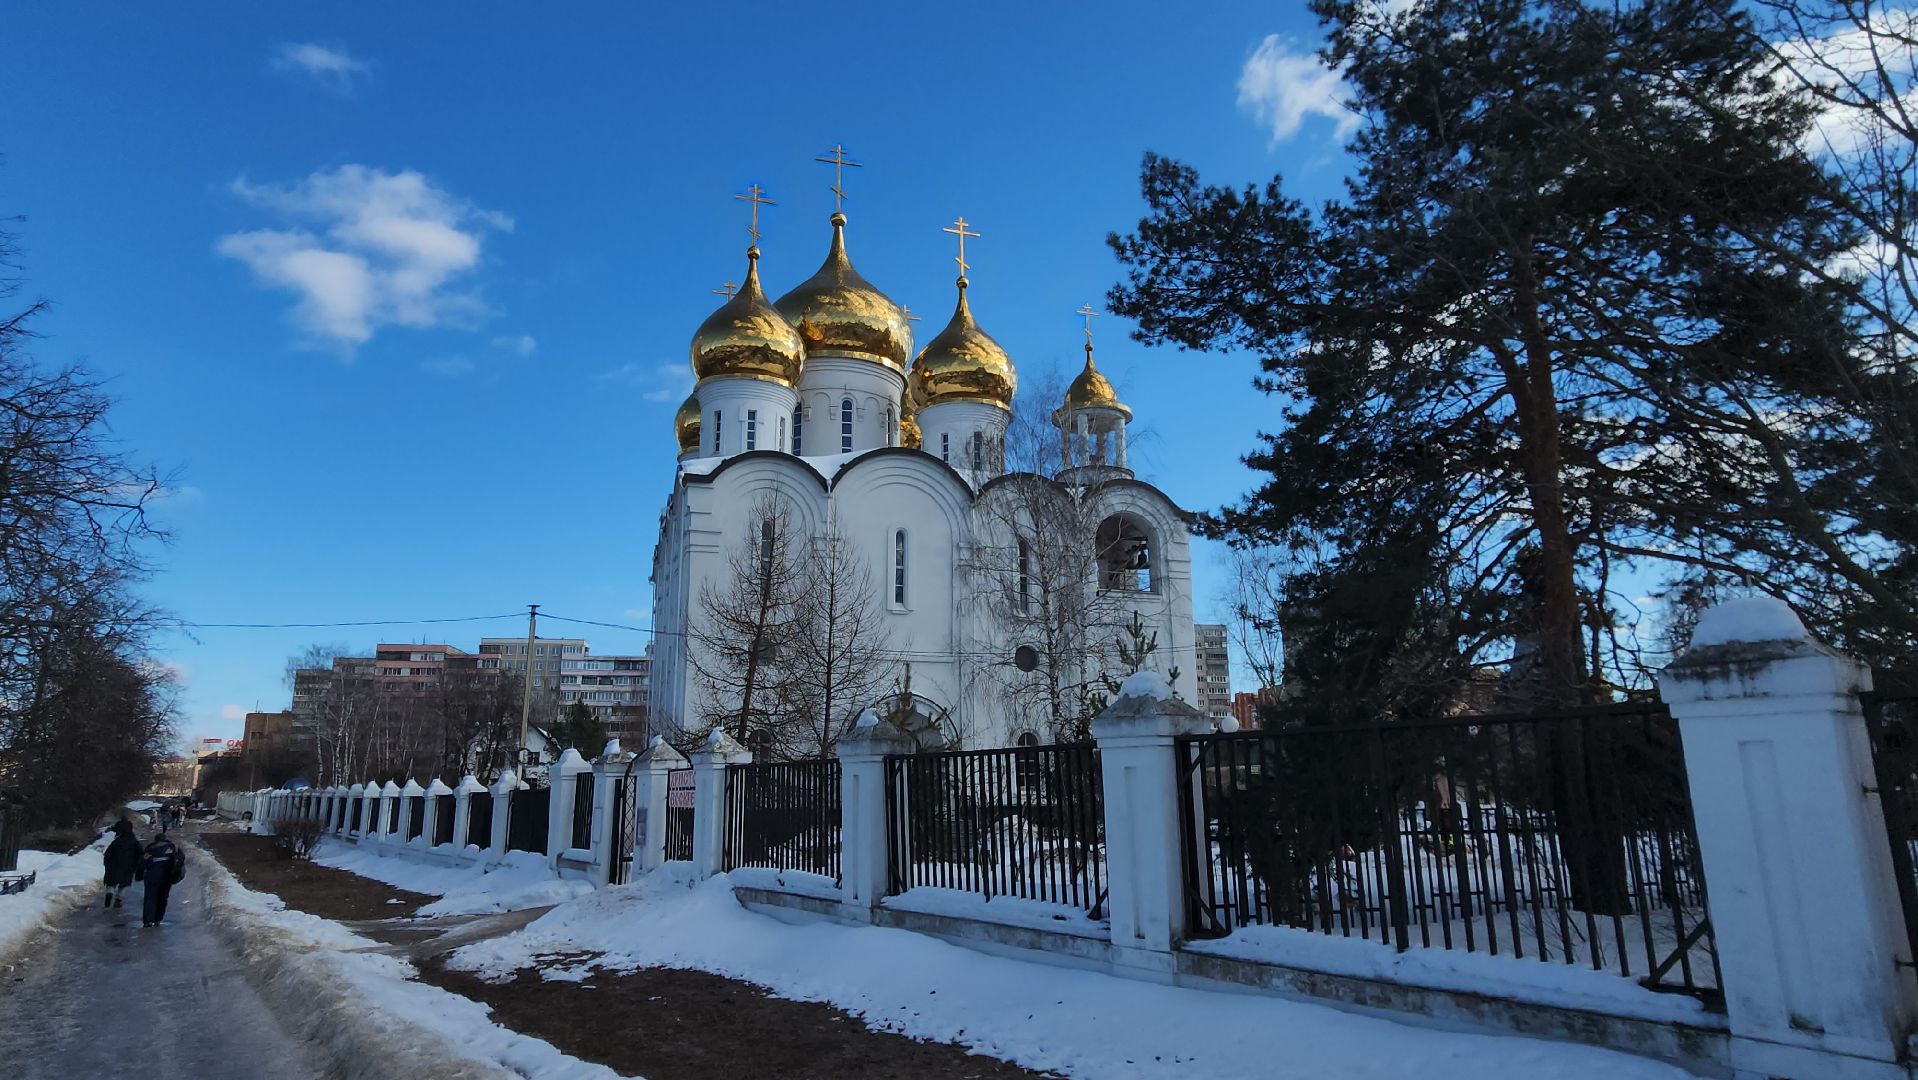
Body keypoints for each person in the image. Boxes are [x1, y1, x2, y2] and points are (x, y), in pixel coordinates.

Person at [135, 830, 185, 927]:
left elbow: (143, 862)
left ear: (156, 840)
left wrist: (139, 875)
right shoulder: (172, 847)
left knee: (150, 898)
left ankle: (148, 920)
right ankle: (158, 919)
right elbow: (180, 859)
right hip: (167, 877)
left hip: (151, 877)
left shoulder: (150, 848)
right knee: (163, 898)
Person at [101, 819, 139, 910]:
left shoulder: (116, 842)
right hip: (128, 866)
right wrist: (136, 866)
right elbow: (139, 854)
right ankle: (118, 898)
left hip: (114, 865)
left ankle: (109, 892)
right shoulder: (134, 842)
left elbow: (108, 854)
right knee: (124, 884)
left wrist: (107, 864)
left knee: (111, 882)